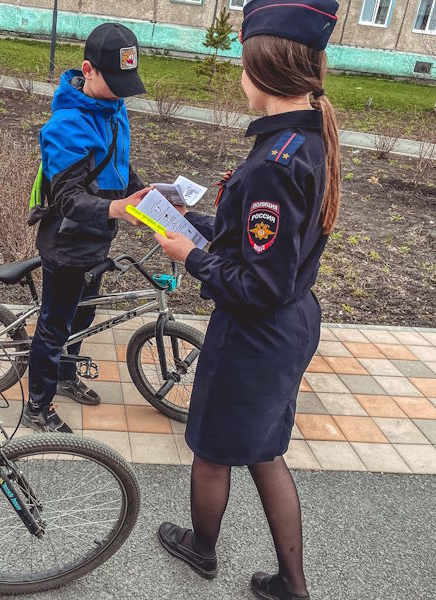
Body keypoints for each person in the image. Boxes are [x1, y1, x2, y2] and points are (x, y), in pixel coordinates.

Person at [153, 0, 341, 598]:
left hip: (255, 333)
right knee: (263, 449)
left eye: (241, 58)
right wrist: (198, 223)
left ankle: (200, 549)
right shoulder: (303, 141)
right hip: (287, 325)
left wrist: (190, 256)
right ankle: (292, 582)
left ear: (261, 65)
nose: (239, 73)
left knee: (212, 450)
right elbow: (264, 249)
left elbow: (257, 285)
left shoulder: (276, 162)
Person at [23, 23, 150, 433]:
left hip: (97, 239)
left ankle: (64, 374)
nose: (121, 92)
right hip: (66, 243)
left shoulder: (113, 109)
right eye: (114, 82)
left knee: (82, 317)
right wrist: (115, 207)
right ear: (88, 70)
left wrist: (148, 192)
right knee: (54, 324)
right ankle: (37, 406)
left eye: (126, 83)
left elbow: (116, 164)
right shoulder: (67, 125)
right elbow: (68, 197)